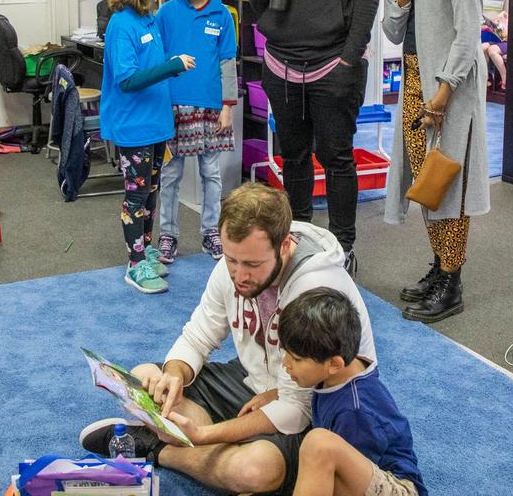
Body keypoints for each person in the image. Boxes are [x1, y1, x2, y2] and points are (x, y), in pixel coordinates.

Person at [79, 182, 375, 495]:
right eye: (231, 260)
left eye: (252, 264)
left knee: (255, 470)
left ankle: (159, 450)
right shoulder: (233, 265)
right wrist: (174, 374)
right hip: (252, 382)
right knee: (144, 379)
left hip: (308, 412)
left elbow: (296, 408)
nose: (239, 275)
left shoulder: (316, 288)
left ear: (285, 246)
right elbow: (197, 336)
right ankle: (210, 445)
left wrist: (206, 434)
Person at [247, 0, 380, 275]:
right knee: (295, 158)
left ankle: (342, 247)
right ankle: (300, 237)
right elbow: (253, 4)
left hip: (332, 66)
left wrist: (348, 59)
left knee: (337, 156)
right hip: (281, 65)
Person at [380, 0, 490, 322]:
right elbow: (389, 29)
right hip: (413, 79)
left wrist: (443, 92)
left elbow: (470, 33)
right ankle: (442, 267)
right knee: (424, 181)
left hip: (453, 87)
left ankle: (453, 281)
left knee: (448, 180)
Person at [100, 0, 195, 294]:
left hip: (156, 123)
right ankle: (134, 264)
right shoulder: (121, 25)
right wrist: (172, 65)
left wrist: (170, 62)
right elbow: (127, 79)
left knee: (151, 192)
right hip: (134, 126)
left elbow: (149, 66)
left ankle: (145, 249)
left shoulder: (148, 19)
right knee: (136, 196)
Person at [279, 288, 426, 496]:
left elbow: (344, 482)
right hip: (366, 476)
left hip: (399, 488)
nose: (285, 364)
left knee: (318, 444)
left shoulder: (355, 410)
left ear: (334, 364)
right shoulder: (336, 375)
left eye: (296, 359)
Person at [156, 0, 238, 263]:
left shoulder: (222, 14)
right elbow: (156, 59)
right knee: (171, 174)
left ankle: (210, 233)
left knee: (211, 173)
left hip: (211, 107)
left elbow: (228, 62)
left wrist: (228, 106)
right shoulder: (166, 13)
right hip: (173, 105)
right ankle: (168, 235)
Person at [481, 12, 508, 91]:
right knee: (483, 47)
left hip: (507, 42)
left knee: (492, 50)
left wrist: (503, 27)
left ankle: (505, 79)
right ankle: (486, 77)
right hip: (500, 41)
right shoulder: (502, 16)